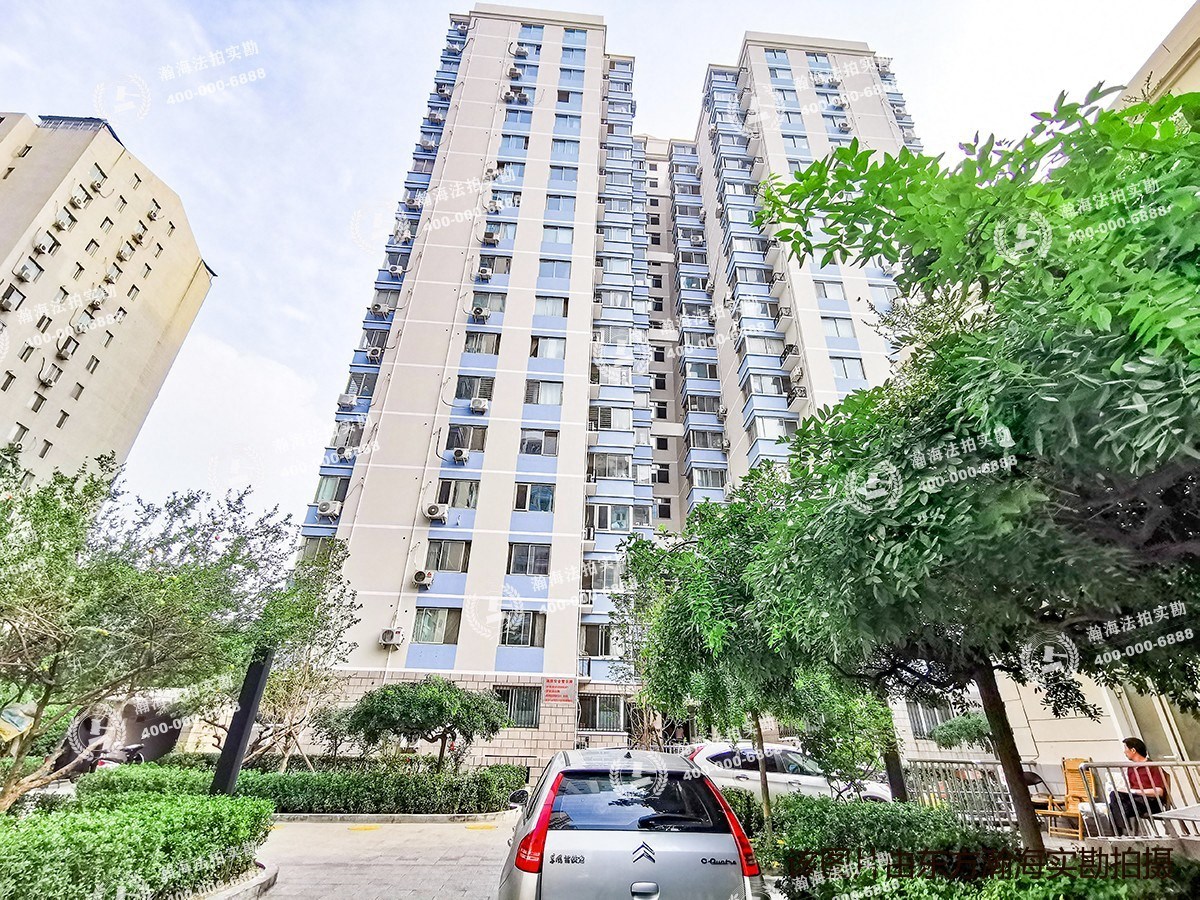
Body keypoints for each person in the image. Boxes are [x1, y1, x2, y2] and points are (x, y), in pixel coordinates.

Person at [1108, 737, 1166, 836]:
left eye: (1126, 749)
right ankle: (1122, 832)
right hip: (1135, 800)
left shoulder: (1153, 766)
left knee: (1116, 808)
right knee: (1114, 797)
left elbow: (1159, 791)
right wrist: (1127, 791)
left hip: (1151, 801)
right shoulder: (1131, 769)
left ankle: (1121, 834)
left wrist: (1134, 791)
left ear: (1133, 750)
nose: (1124, 752)